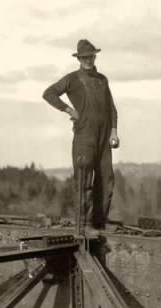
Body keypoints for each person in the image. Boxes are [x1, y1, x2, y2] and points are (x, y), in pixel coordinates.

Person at [43, 39, 119, 233]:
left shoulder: (102, 79)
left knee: (106, 178)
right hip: (84, 135)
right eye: (84, 57)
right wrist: (68, 109)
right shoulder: (72, 79)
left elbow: (111, 108)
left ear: (95, 56)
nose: (88, 60)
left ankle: (99, 223)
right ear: (79, 59)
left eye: (90, 56)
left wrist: (114, 131)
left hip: (104, 138)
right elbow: (49, 93)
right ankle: (84, 225)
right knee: (84, 177)